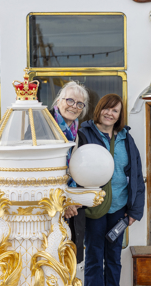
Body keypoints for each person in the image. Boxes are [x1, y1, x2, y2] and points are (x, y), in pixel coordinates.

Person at [78, 93, 145, 286]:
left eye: (115, 110)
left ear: (120, 115)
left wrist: (135, 210)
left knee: (114, 260)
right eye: (107, 108)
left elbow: (136, 174)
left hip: (119, 208)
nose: (110, 113)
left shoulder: (127, 138)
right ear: (99, 110)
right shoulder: (84, 134)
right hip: (94, 207)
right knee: (95, 259)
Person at [51, 81, 89, 263]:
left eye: (79, 104)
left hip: (73, 209)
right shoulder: (43, 126)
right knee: (50, 261)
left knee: (70, 262)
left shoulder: (78, 134)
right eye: (70, 100)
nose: (74, 106)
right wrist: (63, 202)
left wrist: (74, 201)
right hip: (49, 207)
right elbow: (40, 170)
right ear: (59, 101)